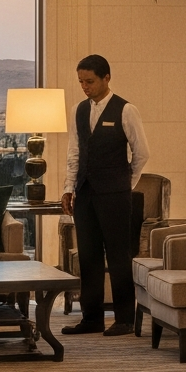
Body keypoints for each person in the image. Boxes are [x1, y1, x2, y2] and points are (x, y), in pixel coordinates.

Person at [60, 55, 150, 335]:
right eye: (81, 82)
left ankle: (124, 319)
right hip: (84, 193)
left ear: (106, 78)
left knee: (118, 255)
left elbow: (142, 153)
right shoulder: (78, 110)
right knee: (88, 256)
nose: (84, 87)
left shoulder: (126, 110)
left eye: (89, 81)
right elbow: (74, 152)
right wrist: (68, 188)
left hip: (115, 195)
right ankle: (91, 318)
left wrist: (125, 183)